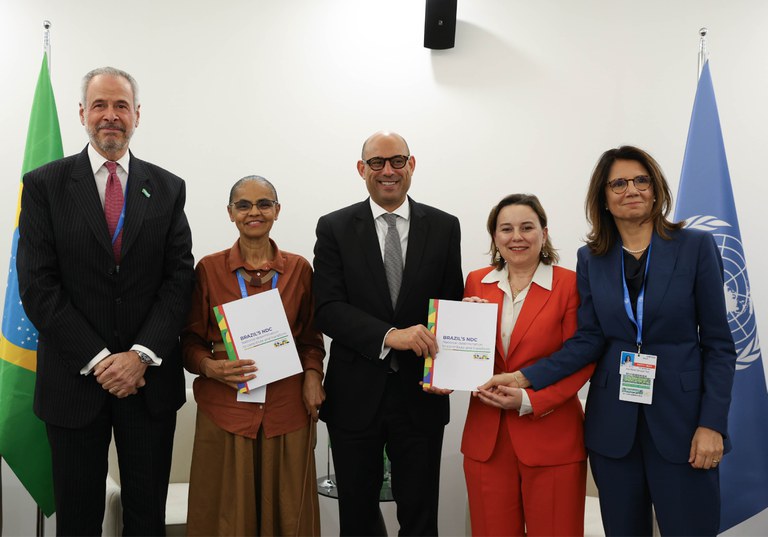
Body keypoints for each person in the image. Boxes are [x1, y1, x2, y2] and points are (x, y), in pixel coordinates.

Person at [479, 146, 737, 536]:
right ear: (603, 196)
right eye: (618, 183)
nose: (630, 189)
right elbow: (588, 340)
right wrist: (522, 377)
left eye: (640, 180)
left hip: (683, 426)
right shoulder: (593, 258)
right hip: (613, 430)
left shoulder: (695, 246)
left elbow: (719, 344)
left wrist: (712, 424)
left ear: (655, 189)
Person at [16, 66, 194, 535]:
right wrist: (99, 360)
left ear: (137, 115)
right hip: (73, 384)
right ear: (82, 114)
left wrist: (139, 356)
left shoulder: (168, 188)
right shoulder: (44, 186)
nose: (110, 115)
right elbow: (37, 285)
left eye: (120, 106)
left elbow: (178, 282)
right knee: (77, 521)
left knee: (145, 519)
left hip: (148, 383)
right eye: (100, 105)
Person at [313, 131, 464, 535]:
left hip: (421, 397)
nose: (388, 171)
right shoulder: (334, 228)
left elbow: (449, 306)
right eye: (376, 163)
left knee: (420, 517)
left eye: (397, 160)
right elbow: (327, 309)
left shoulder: (446, 227)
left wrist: (465, 333)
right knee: (357, 519)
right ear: (361, 170)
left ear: (412, 165)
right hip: (354, 397)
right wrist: (388, 335)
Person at [181, 175, 324, 536]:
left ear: (277, 210)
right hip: (227, 409)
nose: (254, 212)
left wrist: (313, 377)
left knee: (290, 514)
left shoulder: (299, 269)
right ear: (230, 213)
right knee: (226, 517)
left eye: (263, 204)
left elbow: (310, 339)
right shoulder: (209, 269)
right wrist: (210, 367)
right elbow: (188, 342)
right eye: (243, 205)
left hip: (287, 409)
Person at [463, 194, 595, 536]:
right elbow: (466, 354)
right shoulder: (476, 282)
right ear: (494, 237)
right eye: (506, 229)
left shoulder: (570, 283)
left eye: (527, 227)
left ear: (544, 233)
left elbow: (581, 358)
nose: (516, 237)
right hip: (487, 438)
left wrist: (530, 400)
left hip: (551, 435)